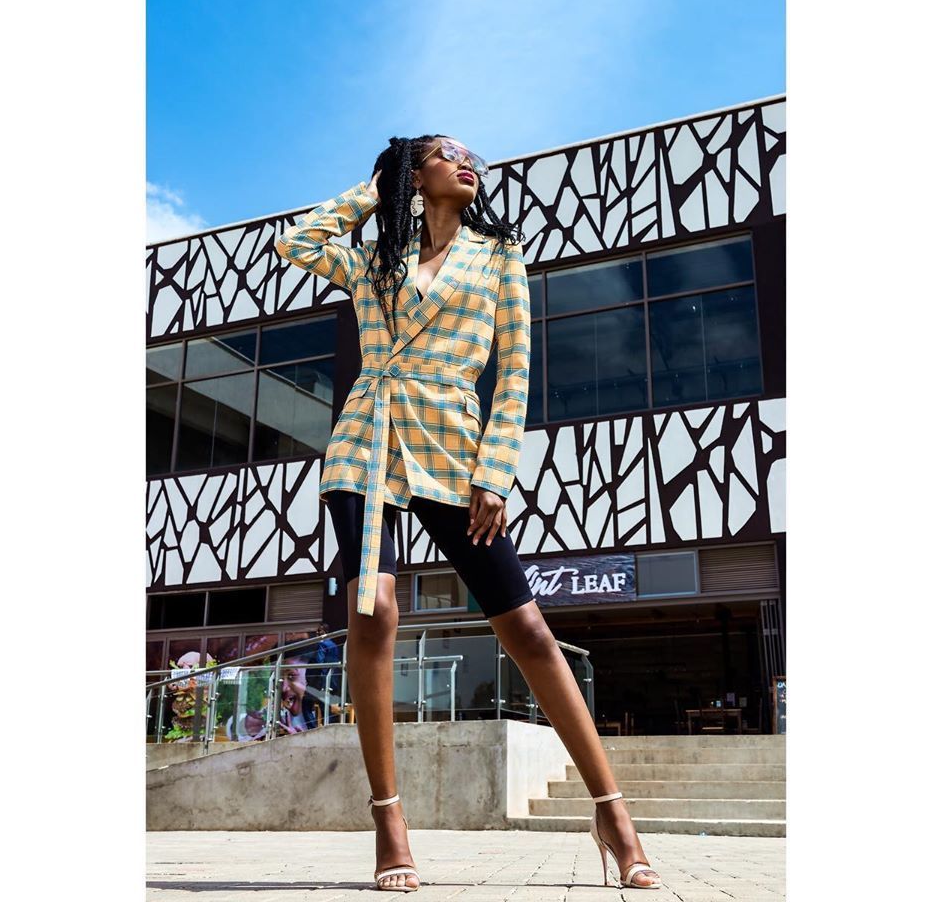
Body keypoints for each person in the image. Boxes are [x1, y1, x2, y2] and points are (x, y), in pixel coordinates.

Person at [274, 136, 661, 892]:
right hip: (368, 438)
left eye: (471, 155)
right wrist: (376, 189)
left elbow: (514, 370)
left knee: (527, 628)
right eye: (446, 154)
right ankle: (389, 822)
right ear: (416, 176)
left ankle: (612, 814)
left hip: (456, 444)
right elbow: (298, 243)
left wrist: (496, 472)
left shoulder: (499, 256)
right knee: (373, 612)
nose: (467, 162)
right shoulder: (374, 257)